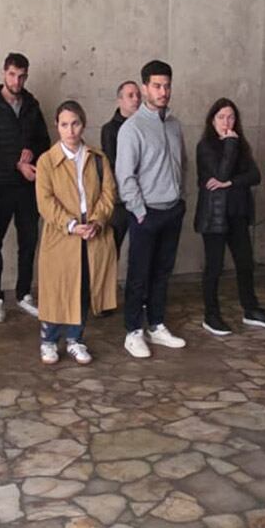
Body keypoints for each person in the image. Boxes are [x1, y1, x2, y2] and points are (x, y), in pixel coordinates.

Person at [115, 60, 190, 358]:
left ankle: (156, 324)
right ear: (145, 87)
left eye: (167, 85)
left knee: (162, 272)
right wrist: (140, 211)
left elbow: (182, 163)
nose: (163, 91)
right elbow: (125, 176)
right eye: (157, 86)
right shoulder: (132, 128)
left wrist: (181, 197)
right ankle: (133, 331)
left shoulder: (174, 124)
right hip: (146, 213)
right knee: (139, 274)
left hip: (173, 210)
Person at [35, 100, 119, 364]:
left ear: (83, 124)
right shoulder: (48, 161)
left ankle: (75, 338)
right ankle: (48, 340)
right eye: (64, 124)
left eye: (75, 123)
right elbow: (45, 201)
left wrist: (96, 221)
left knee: (84, 286)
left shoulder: (97, 158)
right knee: (56, 288)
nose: (70, 130)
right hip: (62, 235)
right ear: (57, 127)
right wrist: (70, 224)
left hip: (92, 234)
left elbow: (109, 194)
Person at [0, 53, 51, 322]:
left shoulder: (32, 104)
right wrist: (15, 164)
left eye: (21, 76)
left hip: (28, 185)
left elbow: (45, 140)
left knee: (29, 240)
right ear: (3, 73)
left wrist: (32, 150)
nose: (16, 80)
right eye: (12, 75)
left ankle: (23, 293)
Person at [194, 98, 265, 336]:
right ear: (212, 120)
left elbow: (255, 175)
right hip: (214, 217)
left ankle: (251, 308)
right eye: (221, 117)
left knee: (245, 263)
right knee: (214, 267)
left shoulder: (241, 144)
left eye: (231, 117)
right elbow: (220, 171)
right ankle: (211, 314)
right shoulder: (206, 145)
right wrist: (229, 145)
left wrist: (230, 182)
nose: (227, 122)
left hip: (237, 214)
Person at [100, 79, 141, 252]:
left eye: (138, 95)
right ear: (120, 100)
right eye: (130, 95)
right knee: (112, 248)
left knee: (141, 249)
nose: (136, 99)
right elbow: (113, 164)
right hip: (120, 199)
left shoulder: (145, 126)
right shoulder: (110, 129)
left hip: (144, 196)